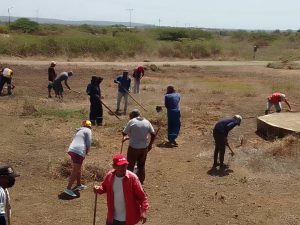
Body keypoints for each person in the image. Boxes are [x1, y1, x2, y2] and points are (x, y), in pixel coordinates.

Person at [93, 154, 149, 225]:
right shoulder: (110, 176)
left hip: (127, 219)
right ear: (114, 166)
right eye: (120, 166)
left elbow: (142, 197)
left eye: (125, 165)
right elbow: (104, 188)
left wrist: (143, 211)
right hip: (112, 216)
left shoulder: (133, 178)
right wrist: (98, 189)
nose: (123, 168)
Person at [122, 109, 155, 184]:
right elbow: (153, 134)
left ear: (132, 116)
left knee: (130, 165)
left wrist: (127, 133)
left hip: (133, 148)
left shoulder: (132, 121)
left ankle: (129, 181)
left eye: (130, 117)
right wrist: (150, 145)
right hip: (144, 148)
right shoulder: (147, 121)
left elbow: (124, 133)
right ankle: (141, 181)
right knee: (141, 165)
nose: (130, 118)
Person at [63, 120, 92, 197]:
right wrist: (87, 152)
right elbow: (88, 142)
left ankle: (79, 184)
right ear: (89, 126)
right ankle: (68, 188)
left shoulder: (79, 130)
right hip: (79, 151)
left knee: (78, 168)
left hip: (72, 149)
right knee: (76, 169)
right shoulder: (88, 130)